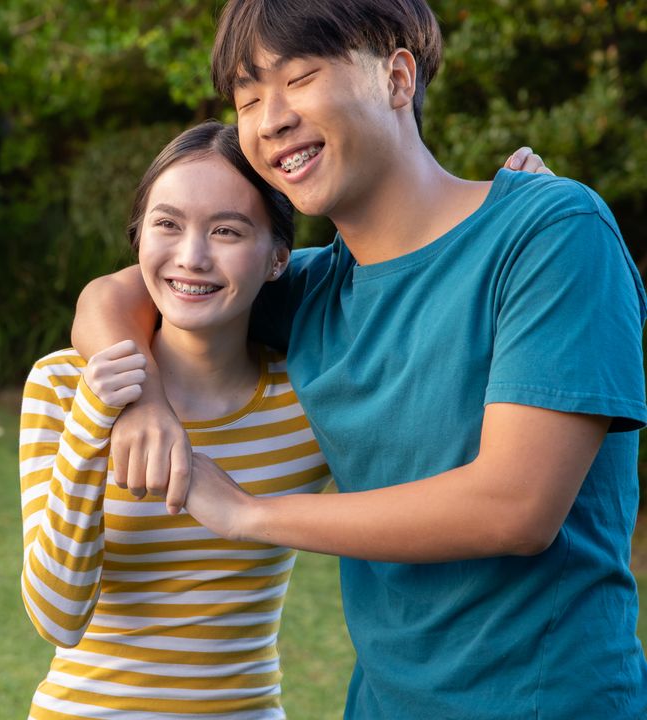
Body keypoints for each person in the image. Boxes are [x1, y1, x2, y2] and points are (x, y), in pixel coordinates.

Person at [70, 1, 647, 719]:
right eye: (248, 98)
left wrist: (248, 512)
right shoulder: (311, 290)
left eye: (301, 79)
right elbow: (117, 291)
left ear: (398, 79)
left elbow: (517, 506)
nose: (270, 118)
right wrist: (141, 400)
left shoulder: (552, 234)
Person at [19, 120, 332, 719]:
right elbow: (56, 616)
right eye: (168, 224)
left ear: (277, 259)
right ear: (139, 242)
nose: (192, 257)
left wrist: (512, 220)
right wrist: (99, 416)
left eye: (226, 231)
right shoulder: (62, 384)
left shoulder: (309, 399)